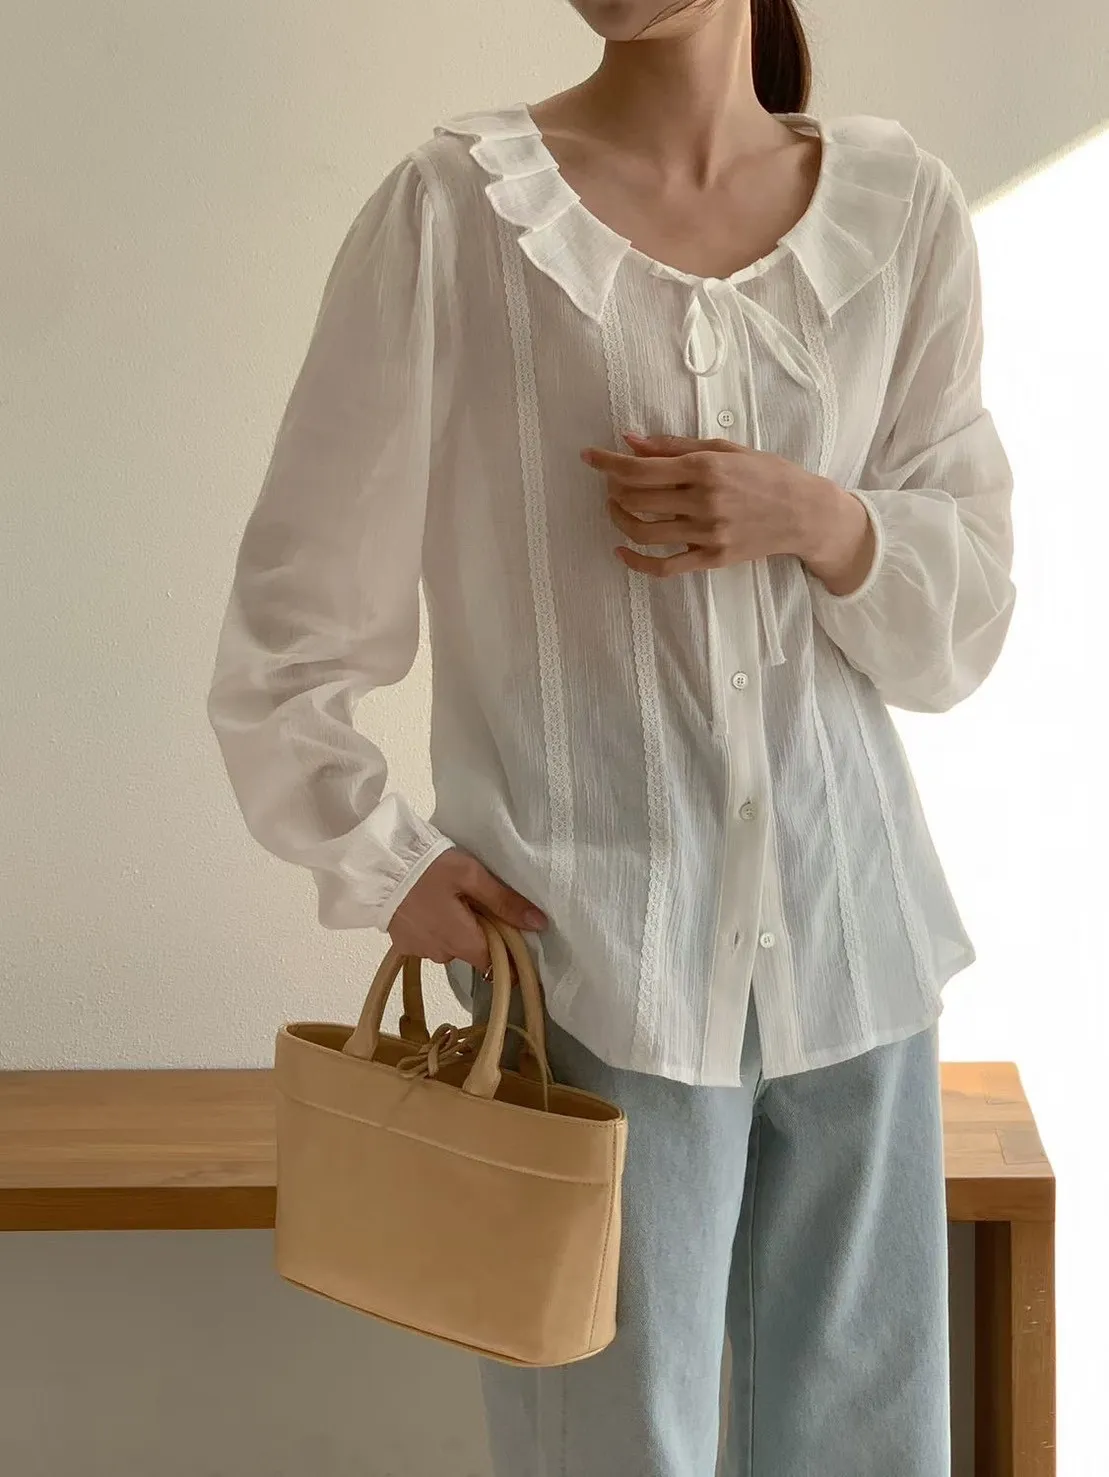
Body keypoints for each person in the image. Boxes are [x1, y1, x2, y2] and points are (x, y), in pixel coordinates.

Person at [206, 0, 1015, 1472]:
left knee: (870, 1450)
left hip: (854, 949)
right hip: (589, 980)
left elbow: (957, 631)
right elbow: (293, 623)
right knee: (610, 1450)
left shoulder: (902, 210)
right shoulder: (458, 213)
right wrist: (380, 859)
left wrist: (822, 519)